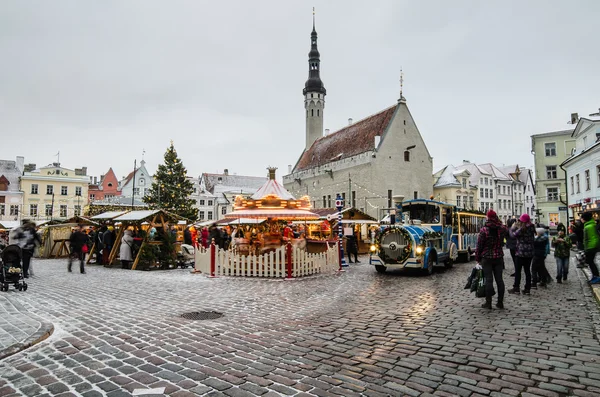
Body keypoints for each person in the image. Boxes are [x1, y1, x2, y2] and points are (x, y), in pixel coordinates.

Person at [476, 210, 507, 309]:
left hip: (487, 257)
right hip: (498, 257)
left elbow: (479, 245)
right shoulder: (502, 229)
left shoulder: (484, 230)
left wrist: (477, 258)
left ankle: (488, 303)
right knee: (500, 280)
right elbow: (503, 241)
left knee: (489, 280)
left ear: (488, 217)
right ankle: (500, 302)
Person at [508, 213, 535, 295]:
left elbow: (513, 235)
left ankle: (516, 288)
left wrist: (511, 228)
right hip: (529, 253)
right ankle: (527, 289)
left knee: (518, 271)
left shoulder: (522, 229)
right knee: (527, 271)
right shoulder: (532, 228)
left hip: (520, 252)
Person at [582, 212, 600, 284]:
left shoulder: (588, 227)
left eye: (581, 218)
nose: (580, 219)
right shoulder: (591, 225)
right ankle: (595, 276)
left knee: (590, 261)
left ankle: (596, 277)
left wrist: (587, 248)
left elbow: (589, 238)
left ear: (584, 219)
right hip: (592, 246)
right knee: (590, 261)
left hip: (591, 247)